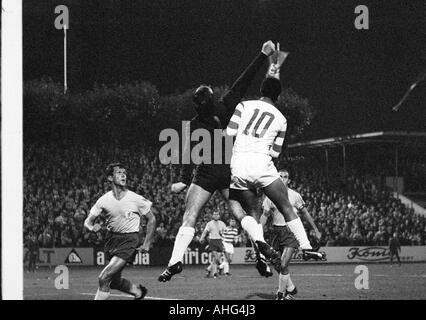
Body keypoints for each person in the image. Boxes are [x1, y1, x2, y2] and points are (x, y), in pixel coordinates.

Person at [158, 40, 280, 282]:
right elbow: (243, 82)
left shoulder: (192, 125)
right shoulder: (225, 107)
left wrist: (183, 181)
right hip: (229, 169)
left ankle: (174, 261)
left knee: (190, 215)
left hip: (205, 174)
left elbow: (187, 157)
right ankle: (261, 249)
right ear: (212, 98)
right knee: (240, 213)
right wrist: (262, 55)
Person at [225, 55, 320, 273]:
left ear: (261, 90)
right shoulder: (281, 119)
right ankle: (306, 247)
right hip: (262, 165)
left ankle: (261, 252)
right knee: (286, 206)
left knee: (253, 213)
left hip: (238, 165)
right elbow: (275, 152)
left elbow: (229, 133)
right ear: (277, 96)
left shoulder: (243, 105)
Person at [84, 163, 157, 300]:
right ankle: (138, 292)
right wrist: (91, 227)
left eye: (124, 172)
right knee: (114, 282)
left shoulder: (135, 198)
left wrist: (147, 243)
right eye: (119, 172)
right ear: (110, 178)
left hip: (129, 240)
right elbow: (87, 221)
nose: (123, 175)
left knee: (104, 277)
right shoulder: (103, 200)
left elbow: (152, 219)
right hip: (111, 239)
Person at [260, 169, 322, 300]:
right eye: (280, 176)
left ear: (289, 180)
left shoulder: (295, 195)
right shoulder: (270, 197)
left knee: (283, 264)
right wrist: (258, 231)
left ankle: (280, 295)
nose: (282, 178)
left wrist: (315, 229)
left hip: (290, 232)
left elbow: (305, 213)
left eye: (285, 177)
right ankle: (291, 289)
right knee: (276, 263)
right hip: (276, 232)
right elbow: (265, 216)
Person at [199, 211, 226, 279]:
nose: (216, 215)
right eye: (214, 214)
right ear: (213, 216)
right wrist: (202, 237)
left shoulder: (222, 223)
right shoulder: (209, 224)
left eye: (217, 214)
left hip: (220, 241)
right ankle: (215, 273)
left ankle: (208, 270)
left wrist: (222, 233)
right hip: (212, 241)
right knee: (216, 258)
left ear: (219, 216)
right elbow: (205, 231)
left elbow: (225, 232)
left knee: (216, 260)